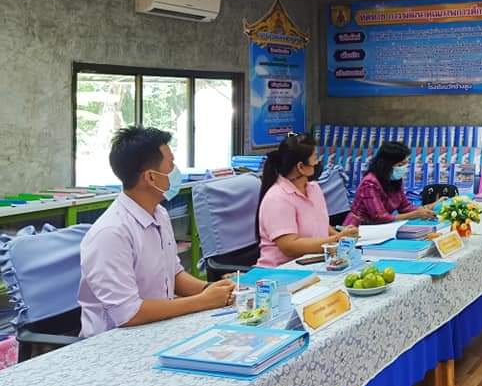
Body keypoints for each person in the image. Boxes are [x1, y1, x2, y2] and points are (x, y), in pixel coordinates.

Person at [78, 127, 236, 338]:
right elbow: (129, 314)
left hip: (158, 328)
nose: (176, 171)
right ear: (151, 177)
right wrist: (202, 301)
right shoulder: (111, 233)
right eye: (170, 165)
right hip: (115, 341)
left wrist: (210, 289)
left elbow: (173, 274)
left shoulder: (159, 213)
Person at [256, 132, 358, 267]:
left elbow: (319, 225)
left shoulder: (314, 188)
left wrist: (344, 236)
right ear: (301, 167)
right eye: (315, 158)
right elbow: (289, 246)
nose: (319, 162)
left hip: (316, 264)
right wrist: (336, 240)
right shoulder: (277, 198)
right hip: (281, 270)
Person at [344, 141, 437, 225]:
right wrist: (415, 214)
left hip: (380, 227)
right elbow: (380, 217)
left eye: (405, 163)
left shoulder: (395, 179)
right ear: (386, 164)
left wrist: (428, 208)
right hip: (357, 228)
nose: (404, 168)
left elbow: (405, 207)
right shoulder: (369, 183)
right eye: (400, 165)